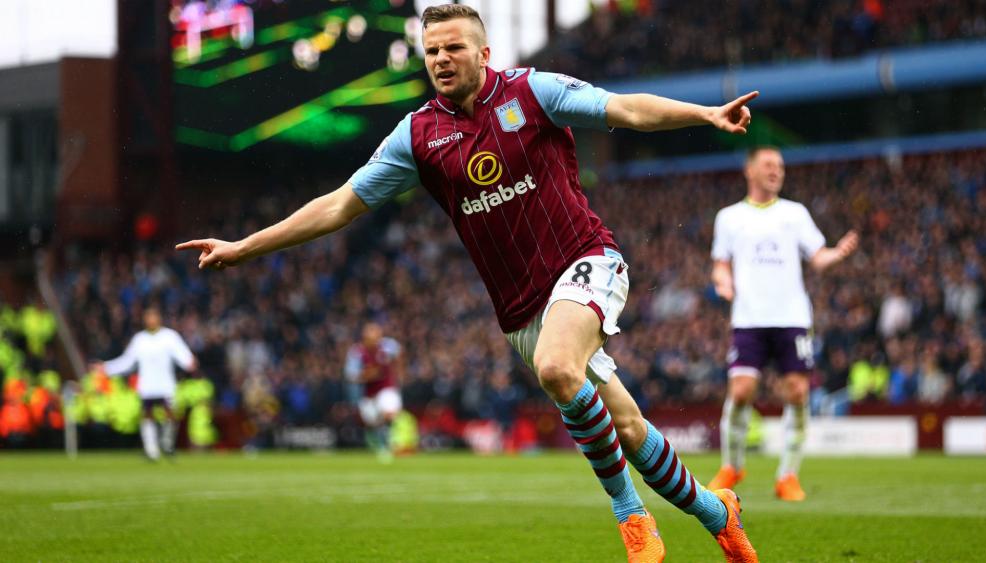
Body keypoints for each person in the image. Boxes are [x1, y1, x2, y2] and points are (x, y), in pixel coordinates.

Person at [178, 5, 758, 561]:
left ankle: (631, 517)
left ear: (485, 52)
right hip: (519, 310)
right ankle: (716, 514)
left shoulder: (534, 92)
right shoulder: (417, 136)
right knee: (628, 428)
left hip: (586, 259)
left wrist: (704, 114)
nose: (440, 58)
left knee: (560, 370)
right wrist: (244, 246)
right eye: (431, 51)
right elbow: (337, 207)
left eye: (453, 47)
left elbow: (624, 108)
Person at [707, 146, 859, 501]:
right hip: (749, 318)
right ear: (750, 170)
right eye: (769, 165)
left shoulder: (795, 214)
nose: (777, 171)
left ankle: (787, 475)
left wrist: (836, 254)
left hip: (791, 317)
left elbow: (817, 258)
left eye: (780, 166)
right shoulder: (729, 217)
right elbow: (720, 262)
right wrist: (722, 281)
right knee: (741, 391)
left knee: (798, 391)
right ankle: (732, 465)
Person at [92, 307, 198, 461]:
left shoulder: (169, 336)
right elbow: (127, 361)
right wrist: (107, 367)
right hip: (147, 386)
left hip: (165, 385)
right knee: (147, 416)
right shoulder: (139, 339)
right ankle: (151, 449)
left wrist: (189, 361)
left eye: (154, 317)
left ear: (159, 318)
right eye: (148, 317)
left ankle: (167, 444)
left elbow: (183, 354)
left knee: (169, 414)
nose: (151, 320)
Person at [344, 322, 404, 461]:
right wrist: (365, 375)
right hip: (369, 393)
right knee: (372, 422)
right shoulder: (356, 352)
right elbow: (350, 375)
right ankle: (382, 446)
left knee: (389, 411)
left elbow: (400, 353)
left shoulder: (388, 346)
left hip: (387, 388)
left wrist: (399, 374)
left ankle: (394, 441)